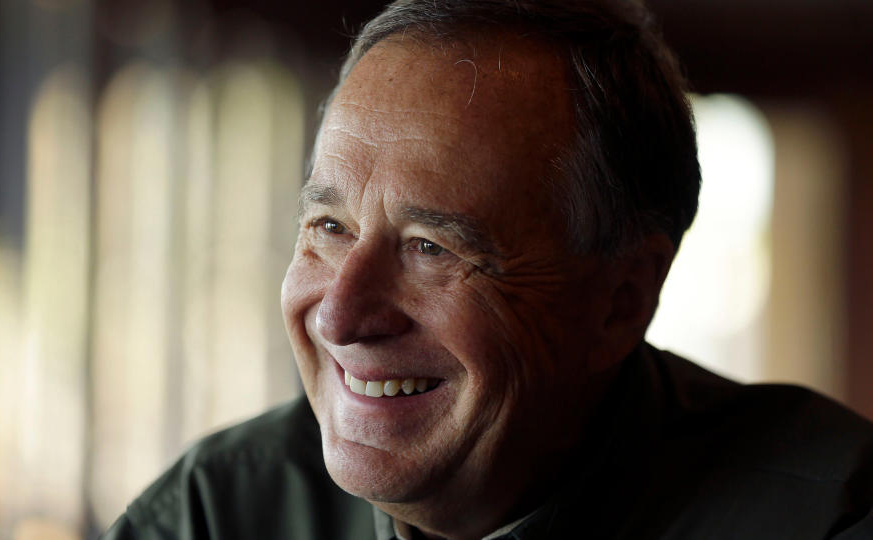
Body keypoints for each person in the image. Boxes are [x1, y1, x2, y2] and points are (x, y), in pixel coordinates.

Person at [102, 1, 873, 538]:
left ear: (620, 302)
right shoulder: (218, 512)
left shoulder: (829, 513)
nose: (339, 315)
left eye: (431, 248)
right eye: (328, 227)